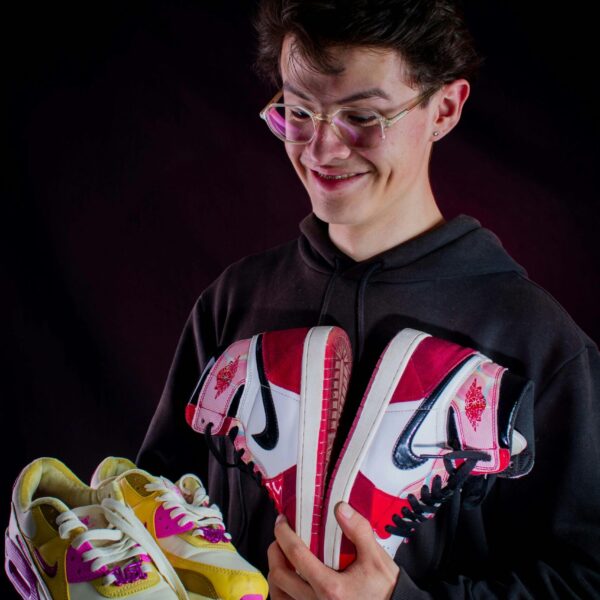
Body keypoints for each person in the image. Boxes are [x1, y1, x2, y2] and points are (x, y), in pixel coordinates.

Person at [137, 1, 600, 597]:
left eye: (362, 116)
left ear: (446, 108)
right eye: (299, 111)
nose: (322, 150)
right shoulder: (234, 302)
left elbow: (587, 576)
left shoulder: (536, 340)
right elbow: (160, 500)